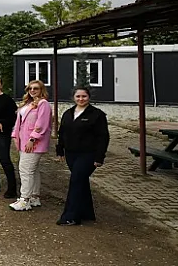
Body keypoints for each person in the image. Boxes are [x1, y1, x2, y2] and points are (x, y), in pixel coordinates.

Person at [56, 87, 110, 226]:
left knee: (76, 181)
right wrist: (60, 150)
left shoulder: (97, 115)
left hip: (88, 154)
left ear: (89, 97)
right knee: (81, 181)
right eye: (78, 96)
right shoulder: (68, 113)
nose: (81, 99)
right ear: (73, 97)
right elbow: (62, 132)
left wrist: (99, 157)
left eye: (84, 96)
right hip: (71, 154)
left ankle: (71, 216)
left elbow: (103, 137)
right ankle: (87, 213)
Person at [9, 80, 52, 211]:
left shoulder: (43, 104)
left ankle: (24, 199)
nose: (32, 91)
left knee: (25, 170)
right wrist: (15, 135)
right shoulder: (28, 104)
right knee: (33, 170)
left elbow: (42, 124)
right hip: (24, 140)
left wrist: (33, 139)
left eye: (36, 88)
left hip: (33, 142)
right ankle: (34, 197)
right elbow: (19, 122)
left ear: (41, 90)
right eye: (30, 89)